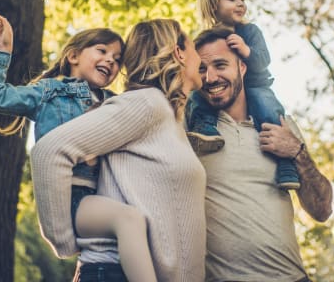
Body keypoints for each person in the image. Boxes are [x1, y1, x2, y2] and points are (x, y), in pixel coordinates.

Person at [0, 13, 159, 282]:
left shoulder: (114, 102)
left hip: (107, 194)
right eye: (102, 50)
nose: (111, 60)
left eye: (118, 59)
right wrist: (4, 50)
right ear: (73, 56)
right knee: (128, 220)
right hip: (73, 197)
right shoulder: (49, 92)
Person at [30, 19, 207, 282]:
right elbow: (48, 151)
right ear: (178, 52)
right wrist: (63, 239)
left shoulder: (168, 116)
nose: (200, 59)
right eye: (194, 48)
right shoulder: (146, 103)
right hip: (113, 273)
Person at [188, 27, 333, 281]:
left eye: (221, 65)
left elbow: (322, 209)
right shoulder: (192, 131)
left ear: (243, 67)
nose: (210, 77)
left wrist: (296, 151)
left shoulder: (280, 124)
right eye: (202, 68)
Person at [186, 0, 300, 190]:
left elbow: (263, 60)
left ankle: (285, 165)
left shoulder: (250, 31)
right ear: (212, 4)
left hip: (255, 86)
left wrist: (246, 50)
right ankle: (206, 127)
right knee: (196, 95)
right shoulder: (205, 39)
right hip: (223, 91)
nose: (240, 4)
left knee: (268, 109)